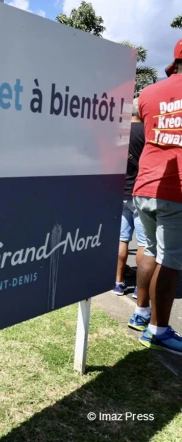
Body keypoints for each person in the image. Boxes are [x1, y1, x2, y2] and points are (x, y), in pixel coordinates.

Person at [129, 38, 182, 354]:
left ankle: (141, 312)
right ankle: (158, 331)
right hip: (175, 188)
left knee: (148, 249)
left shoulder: (148, 94)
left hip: (145, 183)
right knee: (171, 259)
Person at [113, 98, 146, 298]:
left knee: (122, 239)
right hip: (140, 192)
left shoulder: (119, 132)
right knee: (144, 243)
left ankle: (118, 282)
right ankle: (140, 289)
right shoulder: (146, 132)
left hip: (121, 191)